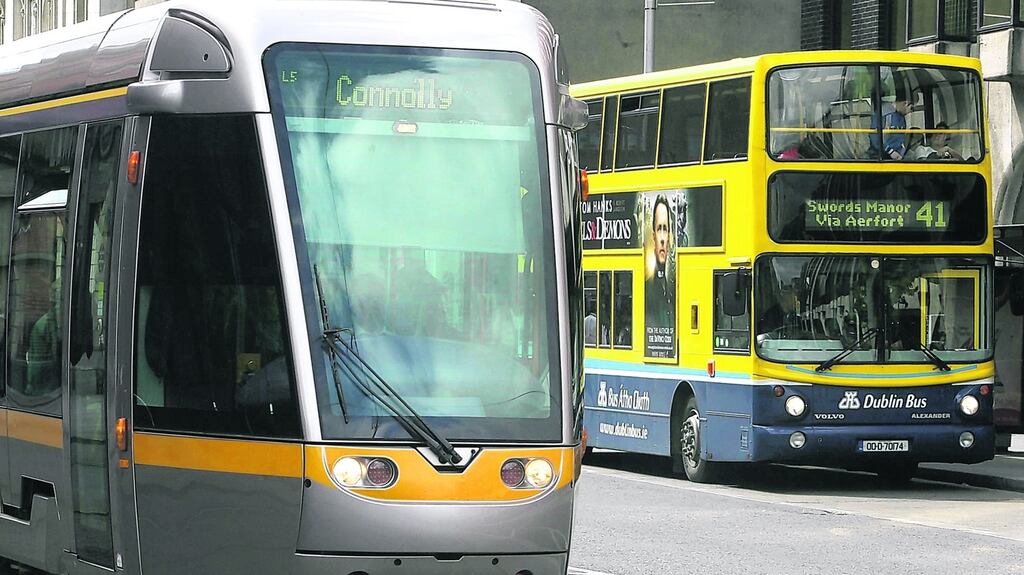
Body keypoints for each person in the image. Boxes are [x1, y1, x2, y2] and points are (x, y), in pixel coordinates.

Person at [644, 195, 675, 356]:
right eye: (659, 228)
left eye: (666, 229)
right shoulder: (646, 287)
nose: (663, 239)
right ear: (653, 236)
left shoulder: (674, 287)